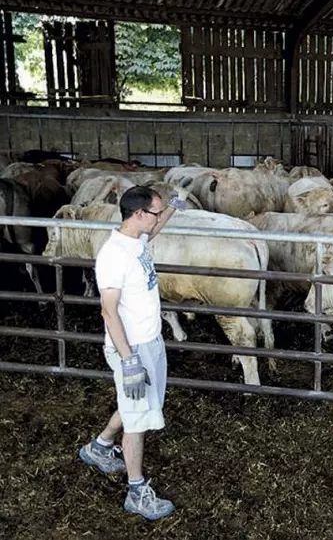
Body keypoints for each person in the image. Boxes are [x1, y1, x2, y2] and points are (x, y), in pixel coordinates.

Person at [78, 184, 189, 521]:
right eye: (154, 213)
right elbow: (108, 311)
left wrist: (172, 208)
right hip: (132, 349)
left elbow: (153, 232)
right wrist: (128, 360)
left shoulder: (137, 241)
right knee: (138, 421)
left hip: (149, 340)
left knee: (136, 405)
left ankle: (99, 447)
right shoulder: (113, 256)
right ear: (138, 214)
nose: (156, 220)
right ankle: (137, 491)